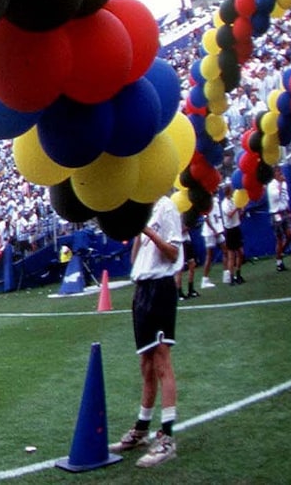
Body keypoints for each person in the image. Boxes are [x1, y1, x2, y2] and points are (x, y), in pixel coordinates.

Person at [107, 194, 185, 468]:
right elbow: (134, 258)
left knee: (163, 362)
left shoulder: (167, 207)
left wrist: (146, 230)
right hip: (141, 289)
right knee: (146, 363)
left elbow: (174, 253)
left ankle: (167, 437)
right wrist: (136, 229)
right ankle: (141, 429)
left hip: (160, 287)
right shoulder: (145, 208)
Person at [268, 165, 291, 272]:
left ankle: (281, 252)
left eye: (280, 171)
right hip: (276, 213)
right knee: (279, 238)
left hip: (284, 212)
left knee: (290, 235)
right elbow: (276, 197)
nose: (280, 173)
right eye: (277, 172)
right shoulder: (271, 185)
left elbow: (285, 198)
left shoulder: (284, 184)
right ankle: (279, 261)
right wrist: (281, 183)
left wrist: (288, 210)